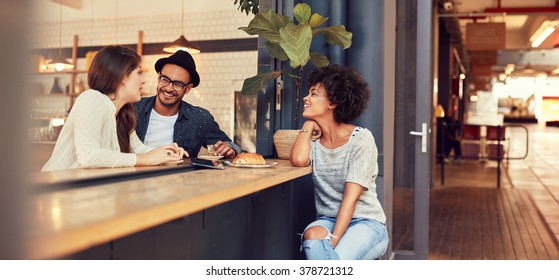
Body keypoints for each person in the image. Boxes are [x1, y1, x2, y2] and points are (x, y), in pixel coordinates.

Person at [290, 65, 389, 260]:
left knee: (336, 261)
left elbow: (349, 199)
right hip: (327, 220)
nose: (305, 98)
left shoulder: (361, 140)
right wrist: (308, 125)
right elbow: (299, 160)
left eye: (314, 94)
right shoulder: (315, 140)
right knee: (311, 235)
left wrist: (333, 242)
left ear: (333, 102)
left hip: (366, 222)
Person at [42, 46, 185, 172]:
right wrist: (145, 159)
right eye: (139, 73)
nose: (143, 80)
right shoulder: (91, 98)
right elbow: (89, 156)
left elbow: (139, 149)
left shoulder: (123, 113)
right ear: (123, 76)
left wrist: (168, 153)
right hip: (54, 190)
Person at [134, 50, 240, 159]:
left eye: (178, 84)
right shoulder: (133, 108)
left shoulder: (199, 118)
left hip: (179, 176)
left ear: (188, 88)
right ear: (158, 77)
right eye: (165, 79)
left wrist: (230, 150)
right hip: (132, 175)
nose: (169, 88)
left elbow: (230, 145)